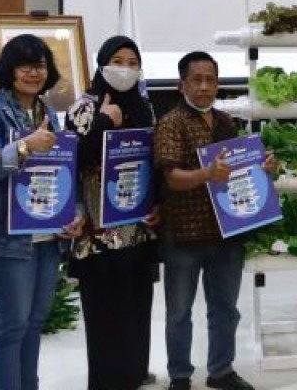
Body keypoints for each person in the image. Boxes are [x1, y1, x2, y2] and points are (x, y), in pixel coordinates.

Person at [0, 33, 85, 390]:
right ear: (8, 69)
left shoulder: (47, 112)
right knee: (11, 324)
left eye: (40, 65)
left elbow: (64, 169)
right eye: (25, 65)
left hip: (47, 236)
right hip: (4, 239)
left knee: (34, 322)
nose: (34, 73)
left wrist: (74, 212)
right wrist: (22, 147)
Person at [154, 51, 276, 390]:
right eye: (197, 79)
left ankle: (221, 371)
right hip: (185, 236)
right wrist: (207, 174)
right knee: (179, 313)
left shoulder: (227, 122)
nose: (205, 86)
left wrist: (262, 169)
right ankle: (180, 376)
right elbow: (172, 178)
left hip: (227, 232)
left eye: (211, 79)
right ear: (182, 85)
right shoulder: (171, 123)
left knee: (225, 309)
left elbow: (239, 173)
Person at [66, 36, 159, 390]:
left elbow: (154, 161)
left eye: (133, 62)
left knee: (136, 311)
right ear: (102, 63)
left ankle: (134, 374)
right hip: (97, 234)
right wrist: (105, 121)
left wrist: (158, 204)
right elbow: (71, 159)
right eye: (117, 60)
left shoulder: (144, 107)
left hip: (138, 229)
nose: (125, 68)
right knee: (106, 316)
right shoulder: (84, 107)